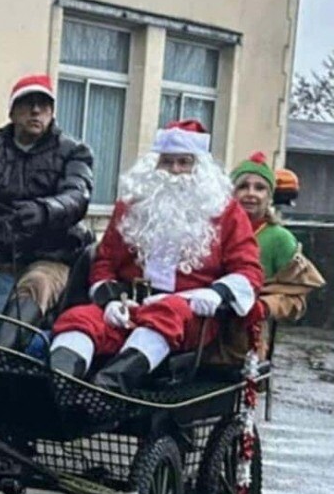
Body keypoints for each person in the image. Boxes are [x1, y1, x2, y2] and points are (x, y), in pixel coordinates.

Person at [49, 120, 263, 393]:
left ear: (199, 168)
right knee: (81, 317)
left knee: (167, 314)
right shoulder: (132, 206)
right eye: (167, 162)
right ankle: (60, 385)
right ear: (154, 165)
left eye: (184, 162)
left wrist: (217, 293)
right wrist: (110, 300)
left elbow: (249, 270)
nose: (174, 171)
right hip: (131, 306)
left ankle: (108, 388)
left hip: (189, 316)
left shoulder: (226, 212)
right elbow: (105, 262)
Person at [0, 74, 94, 346]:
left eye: (43, 105)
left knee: (38, 284)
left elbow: (77, 196)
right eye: (27, 103)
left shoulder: (75, 152)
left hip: (50, 257)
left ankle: (0, 353)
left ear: (52, 112)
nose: (35, 111)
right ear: (12, 111)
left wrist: (45, 211)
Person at [221, 152, 325, 356]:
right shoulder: (213, 231)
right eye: (243, 186)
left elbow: (297, 299)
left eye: (260, 188)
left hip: (245, 341)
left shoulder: (280, 239)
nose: (251, 193)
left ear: (269, 196)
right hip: (200, 333)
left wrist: (265, 306)